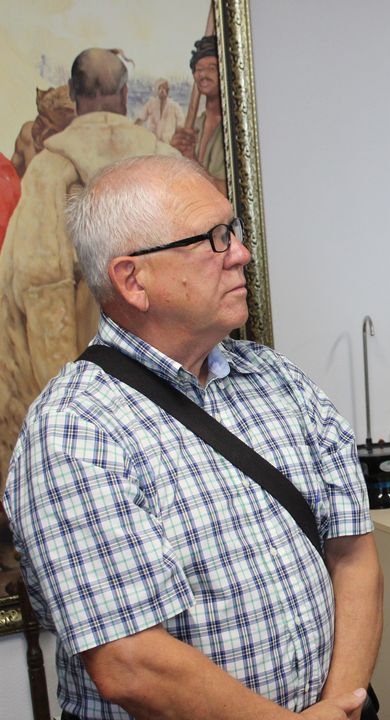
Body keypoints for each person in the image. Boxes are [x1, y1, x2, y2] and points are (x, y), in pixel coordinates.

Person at [4, 154, 382, 719]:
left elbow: (354, 557)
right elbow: (130, 662)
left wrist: (341, 705)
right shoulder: (74, 428)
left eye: (233, 230)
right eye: (213, 238)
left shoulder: (279, 378)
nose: (241, 253)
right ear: (133, 280)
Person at [0, 48, 179, 494]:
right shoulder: (167, 161)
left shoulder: (49, 170)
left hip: (85, 393)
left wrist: (61, 400)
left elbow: (38, 282)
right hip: (173, 392)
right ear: (124, 95)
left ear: (75, 96)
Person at [171, 36, 227, 194]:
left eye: (212, 68)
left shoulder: (233, 128)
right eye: (199, 69)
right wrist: (174, 155)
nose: (203, 75)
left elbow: (228, 192)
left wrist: (191, 160)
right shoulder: (195, 125)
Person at [138, 78, 185, 144]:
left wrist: (176, 138)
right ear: (157, 89)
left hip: (168, 143)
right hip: (152, 141)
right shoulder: (150, 103)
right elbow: (141, 118)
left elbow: (181, 123)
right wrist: (132, 130)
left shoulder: (174, 105)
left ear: (168, 90)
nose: (163, 90)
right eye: (161, 88)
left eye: (165, 88)